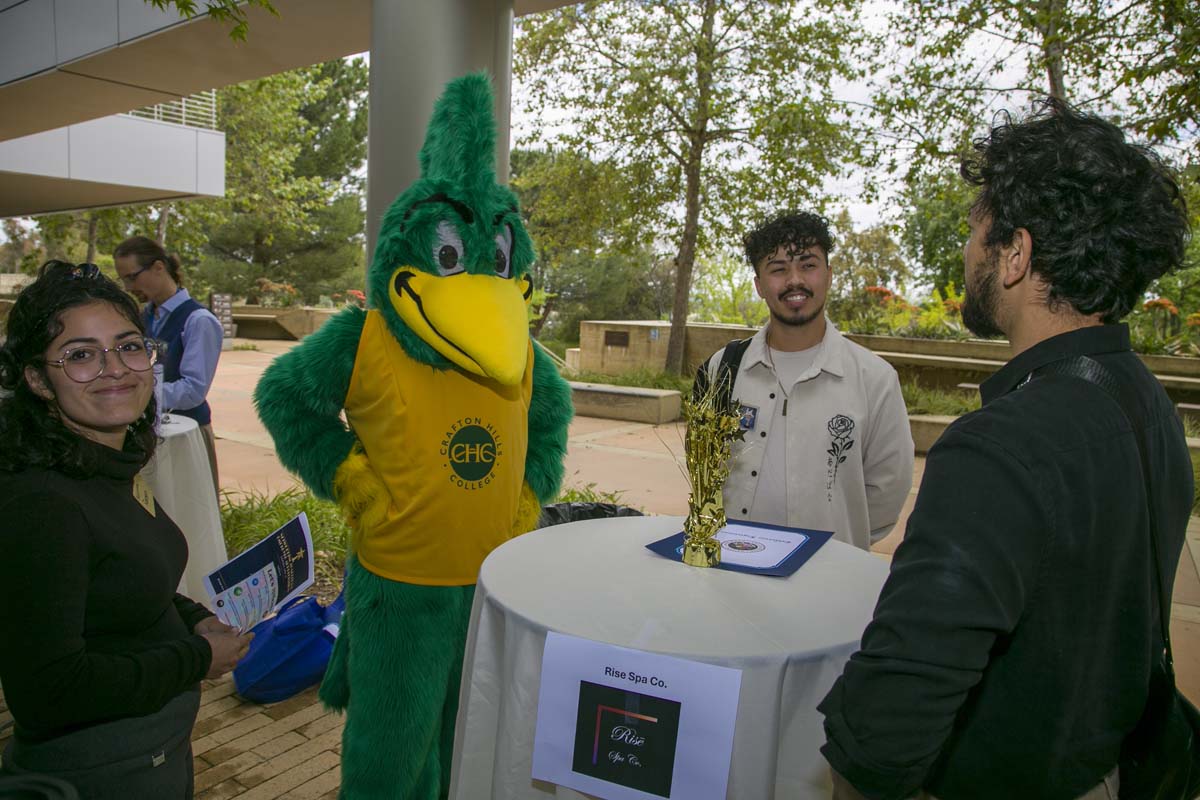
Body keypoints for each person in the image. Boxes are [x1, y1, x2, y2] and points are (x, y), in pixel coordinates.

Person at [819, 100, 1193, 799]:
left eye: (975, 230)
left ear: (1015, 255)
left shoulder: (998, 450)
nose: (967, 251)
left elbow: (893, 715)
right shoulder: (1149, 404)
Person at [0, 261, 252, 799]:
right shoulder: (43, 504)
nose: (115, 369)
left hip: (152, 752)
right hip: (101, 772)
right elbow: (49, 690)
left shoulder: (102, 463)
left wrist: (194, 619)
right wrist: (198, 660)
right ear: (38, 380)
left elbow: (124, 583)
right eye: (81, 355)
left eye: (129, 346)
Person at [693, 211, 914, 550]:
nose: (794, 280)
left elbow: (887, 491)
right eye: (778, 269)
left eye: (808, 265)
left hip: (828, 579)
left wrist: (839, 535)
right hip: (732, 575)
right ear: (759, 285)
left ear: (829, 275)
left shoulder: (875, 379)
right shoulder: (722, 369)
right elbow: (705, 472)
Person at [114, 236, 223, 496]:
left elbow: (194, 390)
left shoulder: (199, 320)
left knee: (189, 508)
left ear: (158, 267)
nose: (129, 287)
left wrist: (137, 394)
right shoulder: (144, 317)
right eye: (124, 280)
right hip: (149, 432)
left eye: (132, 277)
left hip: (186, 435)